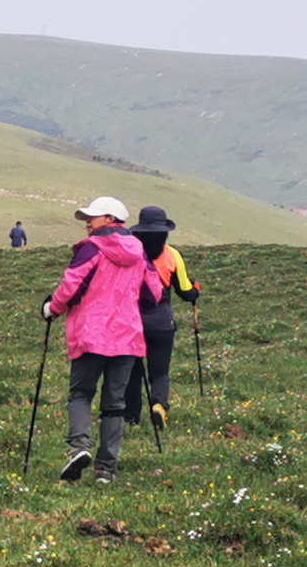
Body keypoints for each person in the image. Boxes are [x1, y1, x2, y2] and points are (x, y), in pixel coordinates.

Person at [43, 195, 162, 484]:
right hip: (127, 336)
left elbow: (71, 286)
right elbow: (154, 294)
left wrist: (51, 309)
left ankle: (79, 448)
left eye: (92, 217)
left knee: (81, 394)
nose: (87, 222)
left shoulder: (91, 248)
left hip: (90, 334)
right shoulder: (140, 252)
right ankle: (106, 469)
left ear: (110, 219)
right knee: (115, 403)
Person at [130, 203, 200, 431]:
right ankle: (159, 405)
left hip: (132, 320)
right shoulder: (173, 255)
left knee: (132, 371)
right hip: (162, 321)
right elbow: (185, 291)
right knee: (159, 371)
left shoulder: (129, 252)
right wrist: (196, 290)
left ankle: (131, 416)